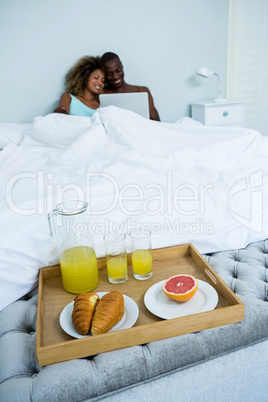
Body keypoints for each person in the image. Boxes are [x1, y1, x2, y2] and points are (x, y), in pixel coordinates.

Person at [101, 52, 160, 121]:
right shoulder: (101, 94)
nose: (116, 77)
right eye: (110, 74)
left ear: (122, 66)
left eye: (118, 70)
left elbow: (156, 121)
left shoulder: (141, 91)